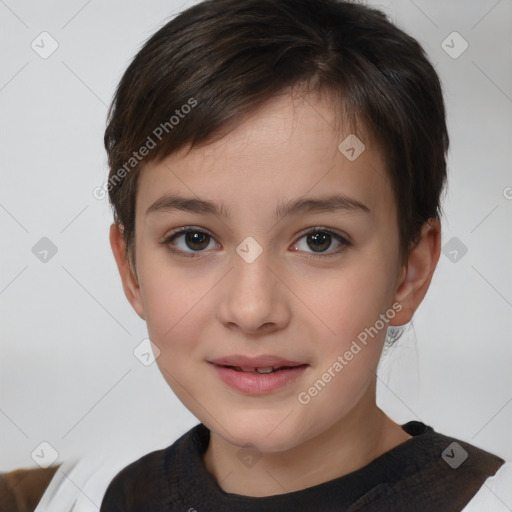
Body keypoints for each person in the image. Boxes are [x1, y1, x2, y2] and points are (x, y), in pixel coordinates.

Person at [40, 0, 508, 510]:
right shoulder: (87, 496)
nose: (252, 309)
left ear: (409, 273)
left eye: (319, 240)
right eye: (194, 239)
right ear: (131, 270)